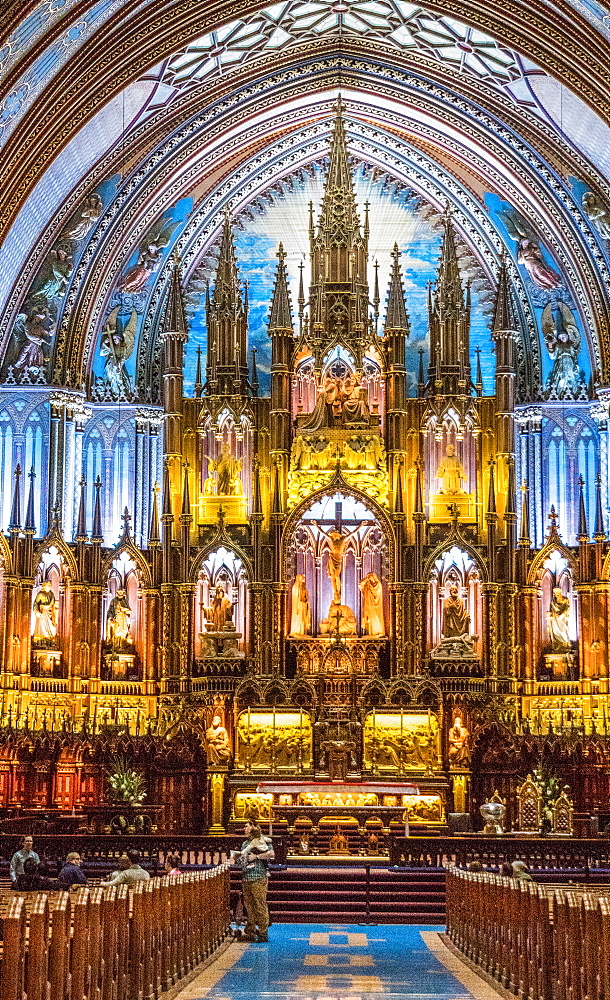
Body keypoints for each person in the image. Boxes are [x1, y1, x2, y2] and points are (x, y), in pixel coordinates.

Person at [236, 821, 274, 942]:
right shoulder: (245, 843)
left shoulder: (264, 840)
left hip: (258, 876)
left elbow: (271, 854)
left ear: (253, 827)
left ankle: (263, 932)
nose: (244, 828)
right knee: (249, 905)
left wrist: (256, 857)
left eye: (246, 826)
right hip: (247, 876)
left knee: (259, 904)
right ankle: (250, 930)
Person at [547, 587, 571, 651]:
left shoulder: (565, 599)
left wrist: (562, 614)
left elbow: (568, 608)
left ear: (560, 592)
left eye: (557, 592)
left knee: (563, 631)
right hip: (555, 618)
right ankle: (558, 644)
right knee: (555, 631)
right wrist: (550, 614)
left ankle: (565, 643)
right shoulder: (553, 600)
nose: (556, 594)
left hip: (562, 618)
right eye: (555, 593)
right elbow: (552, 609)